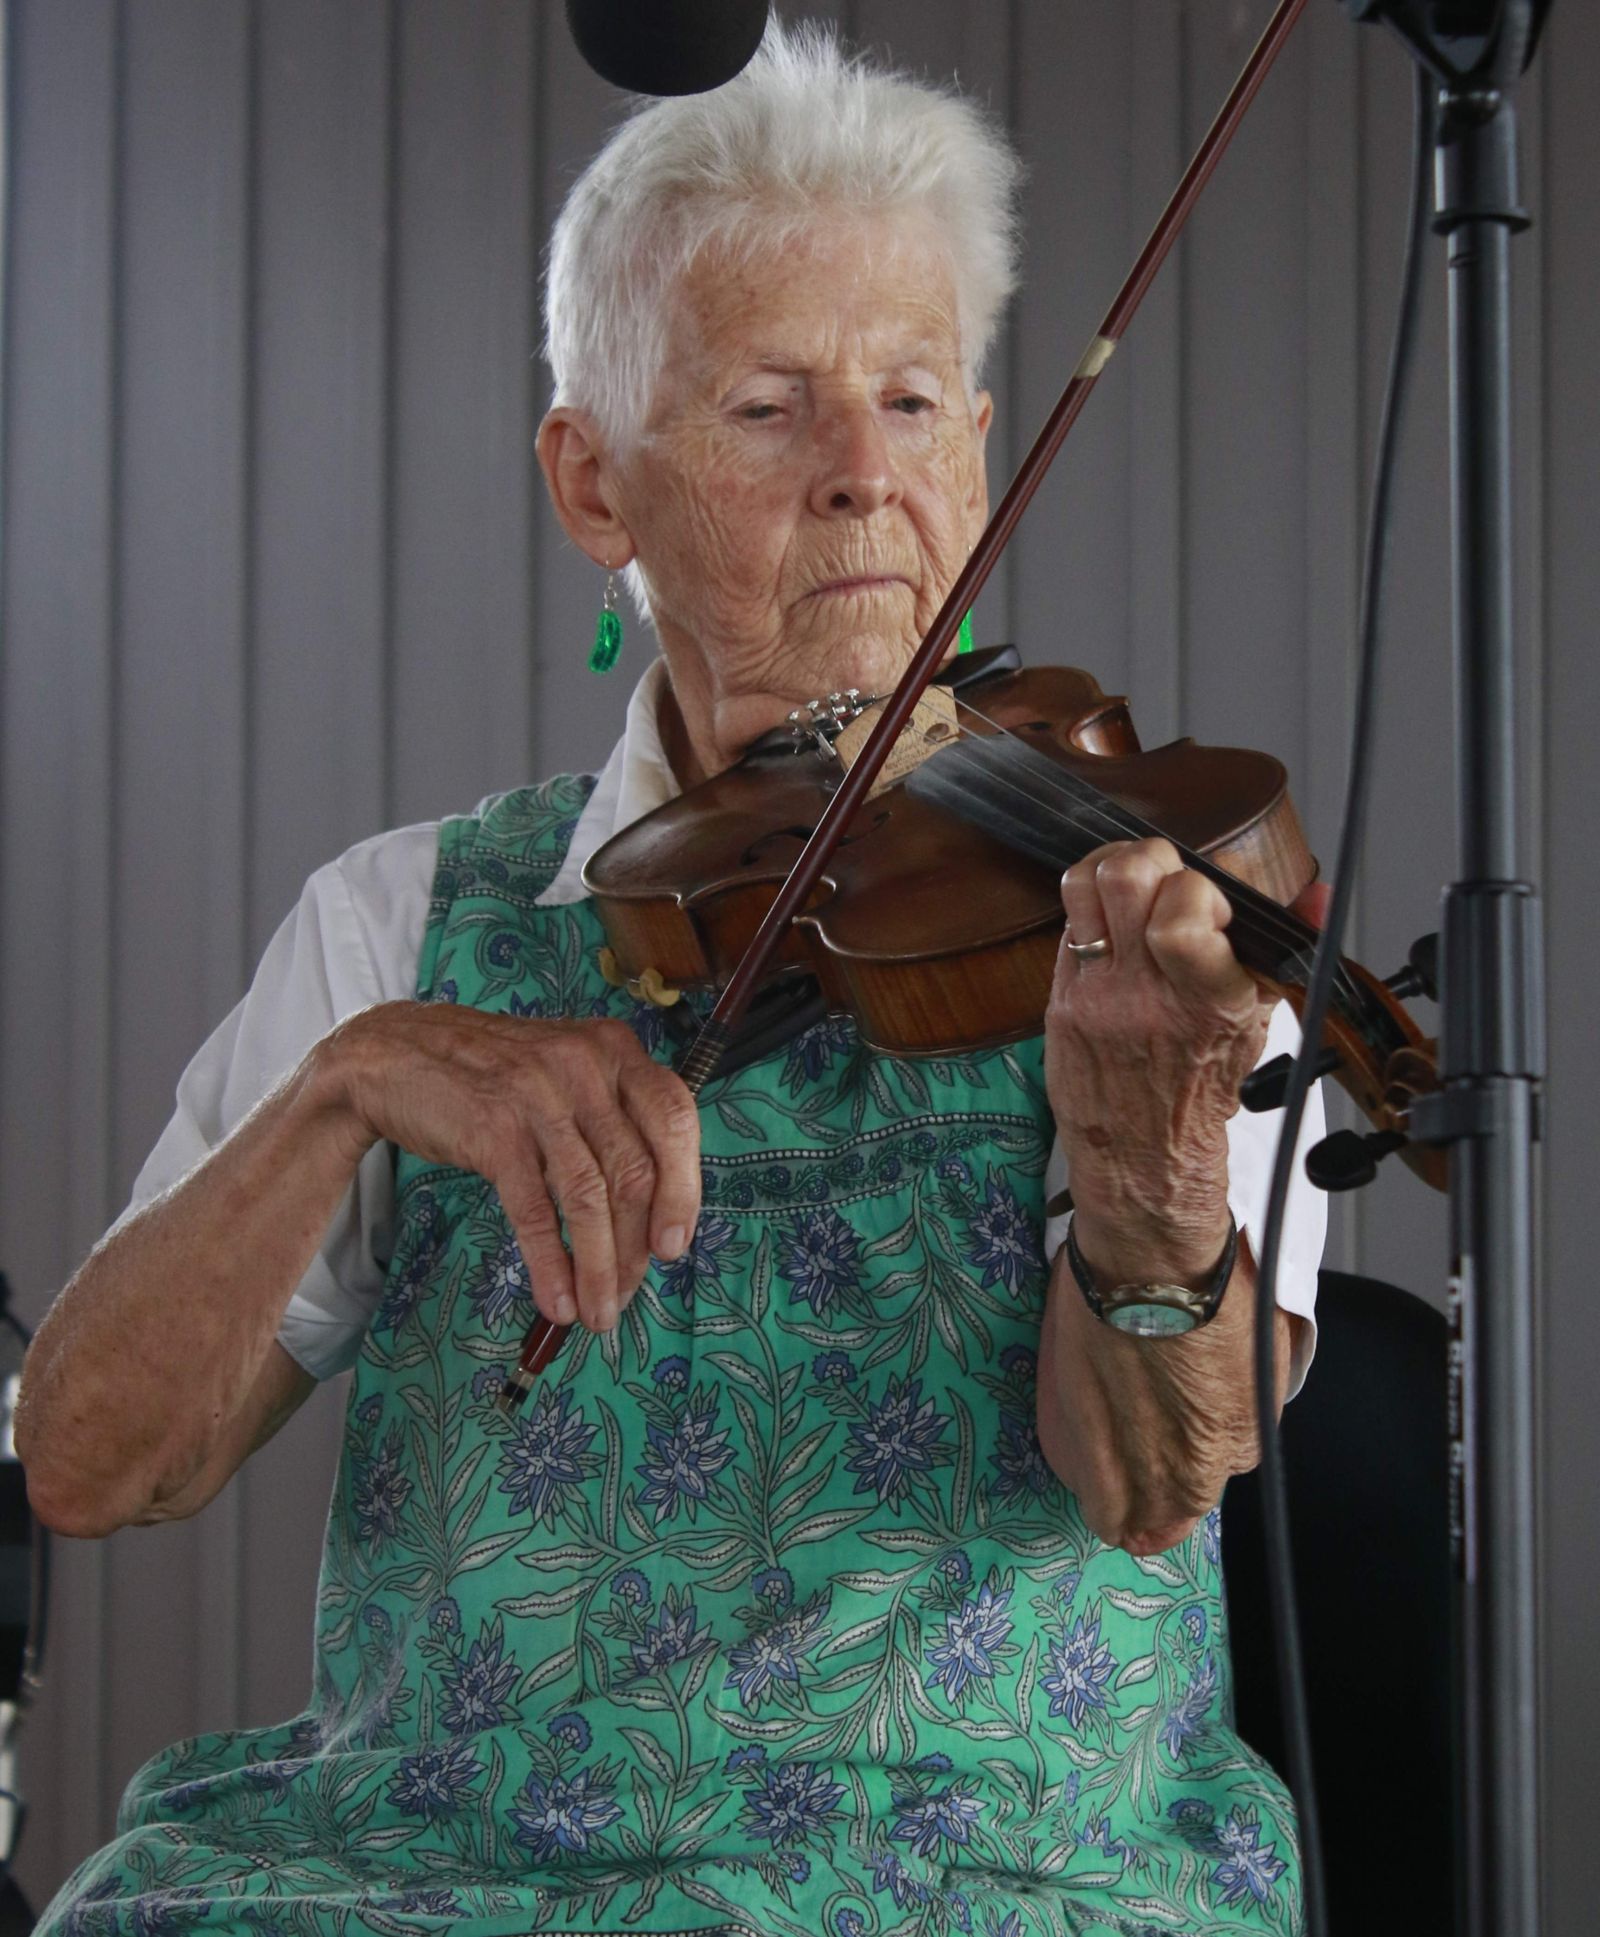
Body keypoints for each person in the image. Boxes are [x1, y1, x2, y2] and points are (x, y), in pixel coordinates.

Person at [18, 23, 1326, 1937]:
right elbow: (87, 1458)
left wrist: (1149, 1173)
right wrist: (347, 1082)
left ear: (980, 444)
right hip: (446, 1872)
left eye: (912, 397)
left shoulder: (1138, 909)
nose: (864, 477)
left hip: (985, 1870)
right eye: (769, 408)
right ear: (592, 484)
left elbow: (1142, 1489)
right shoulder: (409, 922)